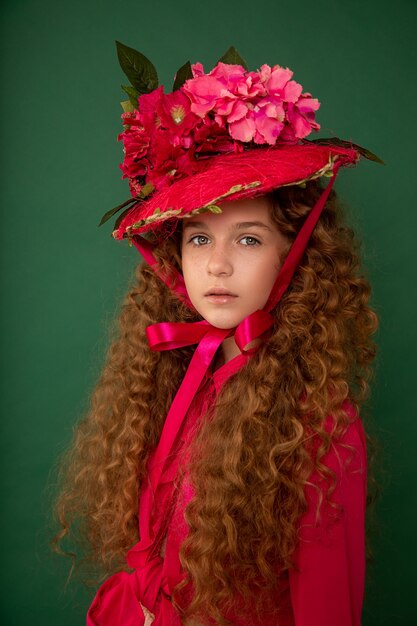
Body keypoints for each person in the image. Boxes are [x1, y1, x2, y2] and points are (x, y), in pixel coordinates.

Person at [53, 43, 381, 626]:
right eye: (199, 238)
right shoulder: (170, 380)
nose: (218, 265)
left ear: (293, 255)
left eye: (248, 239)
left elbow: (328, 609)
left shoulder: (319, 424)